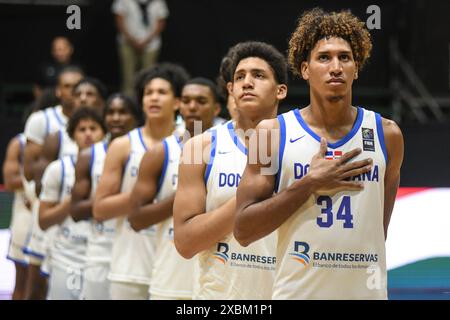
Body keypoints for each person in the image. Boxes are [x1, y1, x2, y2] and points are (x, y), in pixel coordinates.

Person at [234, 8, 404, 300]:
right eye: (324, 57)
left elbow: (377, 230)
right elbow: (244, 230)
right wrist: (309, 183)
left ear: (356, 68)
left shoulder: (388, 134)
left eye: (345, 57)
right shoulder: (269, 133)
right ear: (304, 69)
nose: (335, 66)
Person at [173, 41, 287, 299]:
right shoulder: (198, 146)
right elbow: (185, 243)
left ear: (280, 90)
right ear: (231, 89)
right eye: (240, 77)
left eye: (258, 75)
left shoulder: (304, 145)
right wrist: (251, 197)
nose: (247, 82)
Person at [93, 63, 189, 300]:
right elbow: (100, 209)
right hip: (130, 265)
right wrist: (144, 198)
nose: (154, 98)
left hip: (177, 268)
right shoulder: (123, 145)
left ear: (177, 102)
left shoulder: (193, 143)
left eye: (162, 92)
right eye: (148, 93)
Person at [128, 77, 220, 300]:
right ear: (178, 104)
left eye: (200, 101)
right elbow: (136, 219)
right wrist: (184, 197)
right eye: (186, 100)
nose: (192, 107)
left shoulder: (234, 147)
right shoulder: (161, 152)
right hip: (170, 280)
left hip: (219, 278)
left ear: (216, 108)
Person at [22, 65, 84, 299]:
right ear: (58, 91)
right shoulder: (43, 121)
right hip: (49, 209)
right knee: (36, 284)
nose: (74, 92)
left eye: (79, 87)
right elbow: (29, 172)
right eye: (68, 87)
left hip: (82, 219)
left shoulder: (97, 124)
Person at [70, 94, 139, 300]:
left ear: (135, 117)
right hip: (100, 251)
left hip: (136, 250)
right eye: (110, 113)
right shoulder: (89, 155)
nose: (116, 118)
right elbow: (75, 211)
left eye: (122, 112)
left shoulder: (152, 151)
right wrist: (109, 201)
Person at [38, 107, 106, 300]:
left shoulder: (113, 165)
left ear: (104, 132)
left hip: (101, 255)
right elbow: (43, 221)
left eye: (93, 128)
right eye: (82, 129)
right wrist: (74, 201)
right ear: (72, 135)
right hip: (67, 256)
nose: (88, 134)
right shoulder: (58, 169)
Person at [112, 0, 169, 96]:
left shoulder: (158, 2)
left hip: (151, 45)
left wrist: (146, 41)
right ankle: (128, 102)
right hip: (127, 43)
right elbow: (119, 19)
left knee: (149, 76)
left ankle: (146, 100)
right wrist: (132, 40)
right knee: (128, 76)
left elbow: (161, 22)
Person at [2, 134, 31, 300]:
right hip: (24, 220)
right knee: (22, 280)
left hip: (60, 224)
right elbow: (10, 181)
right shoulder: (19, 142)